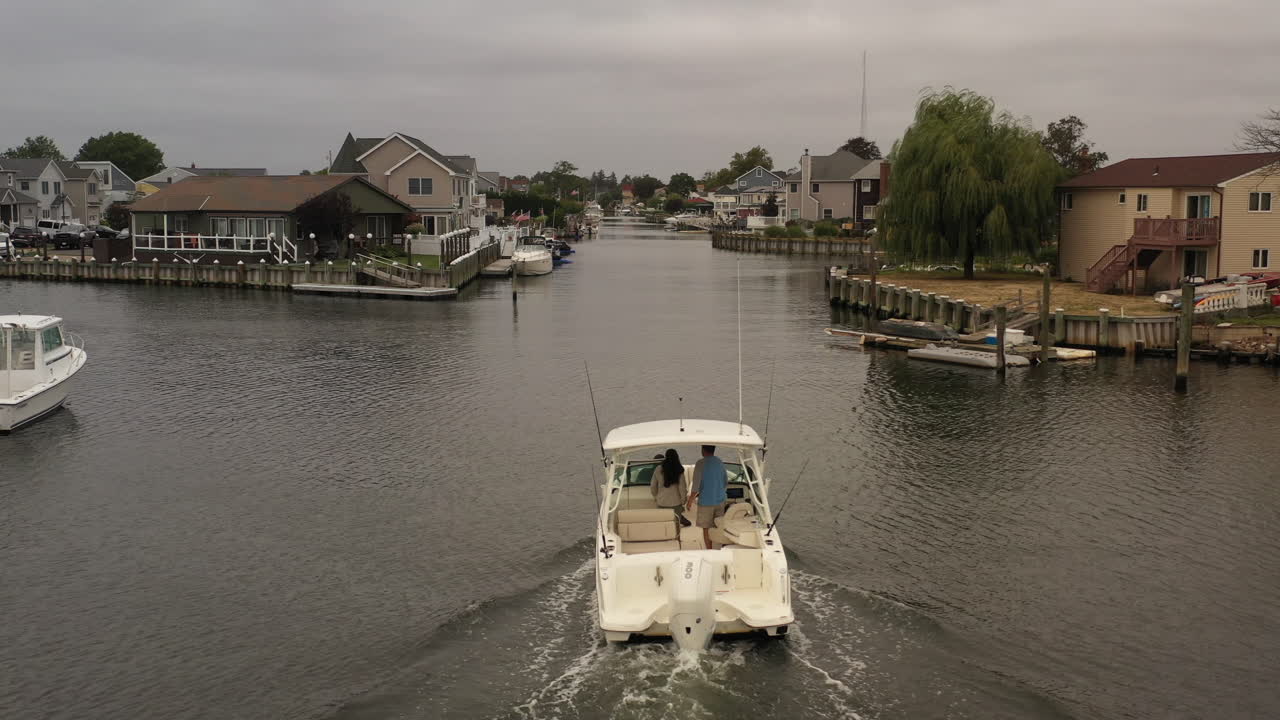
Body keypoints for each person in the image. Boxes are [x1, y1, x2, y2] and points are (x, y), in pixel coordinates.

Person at [687, 445, 727, 549]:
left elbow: (695, 486)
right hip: (720, 501)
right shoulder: (720, 462)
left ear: (703, 450)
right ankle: (721, 547)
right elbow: (725, 482)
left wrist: (690, 501)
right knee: (719, 526)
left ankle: (709, 550)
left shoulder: (700, 463)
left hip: (706, 503)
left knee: (706, 528)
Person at [649, 448, 690, 526]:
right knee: (676, 523)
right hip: (676, 502)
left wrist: (656, 496)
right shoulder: (679, 469)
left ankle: (665, 536)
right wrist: (683, 500)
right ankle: (677, 538)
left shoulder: (658, 469)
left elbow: (653, 486)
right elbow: (682, 487)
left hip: (662, 502)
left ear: (666, 457)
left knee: (664, 523)